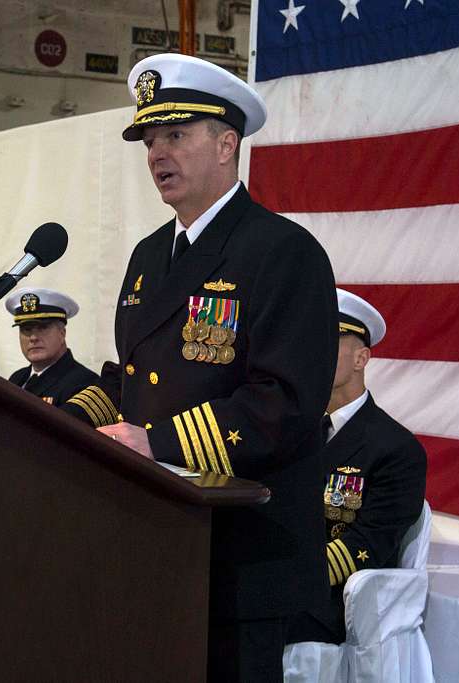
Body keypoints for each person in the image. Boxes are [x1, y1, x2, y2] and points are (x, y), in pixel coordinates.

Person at [60, 53, 338, 680]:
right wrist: (69, 421)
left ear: (226, 144)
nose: (158, 154)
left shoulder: (283, 252)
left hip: (243, 550)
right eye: (150, 141)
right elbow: (135, 378)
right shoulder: (148, 254)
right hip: (159, 538)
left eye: (176, 136)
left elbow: (285, 405)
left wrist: (154, 442)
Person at [287, 289, 427, 645]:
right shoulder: (294, 432)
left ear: (361, 358)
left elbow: (371, 544)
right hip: (285, 584)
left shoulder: (396, 448)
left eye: (329, 340)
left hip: (332, 601)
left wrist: (289, 574)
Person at [3, 287, 98, 406]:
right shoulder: (17, 379)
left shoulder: (84, 383)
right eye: (26, 329)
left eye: (43, 328)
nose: (33, 338)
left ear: (62, 333)